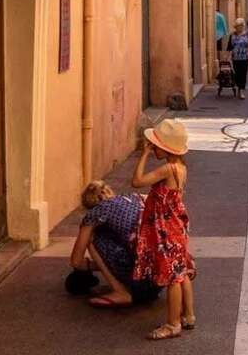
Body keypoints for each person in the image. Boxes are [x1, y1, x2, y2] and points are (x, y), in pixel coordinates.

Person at [132, 119, 196, 341]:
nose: (153, 148)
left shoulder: (168, 169)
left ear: (166, 148)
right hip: (177, 227)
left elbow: (137, 181)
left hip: (167, 231)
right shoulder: (181, 168)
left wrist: (144, 154)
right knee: (181, 272)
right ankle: (188, 315)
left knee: (172, 278)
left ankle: (173, 324)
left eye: (156, 145)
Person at [68, 180, 159, 307]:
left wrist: (91, 266)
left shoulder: (95, 213)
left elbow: (76, 262)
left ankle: (120, 291)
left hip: (141, 281)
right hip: (160, 275)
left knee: (92, 237)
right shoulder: (134, 197)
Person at [228, 18, 248, 99]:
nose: (240, 27)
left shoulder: (247, 35)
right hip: (236, 58)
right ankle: (239, 87)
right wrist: (229, 57)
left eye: (241, 25)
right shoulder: (232, 35)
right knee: (237, 75)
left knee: (243, 74)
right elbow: (230, 47)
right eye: (238, 26)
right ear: (235, 27)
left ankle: (241, 91)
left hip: (245, 57)